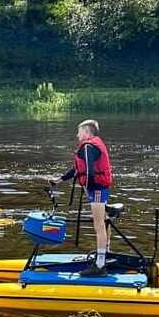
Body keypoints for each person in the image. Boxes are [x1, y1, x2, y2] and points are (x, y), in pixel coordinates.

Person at [51, 119, 113, 277]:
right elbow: (78, 169)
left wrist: (88, 188)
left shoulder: (87, 146)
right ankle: (105, 255)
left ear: (86, 131)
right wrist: (60, 179)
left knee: (99, 226)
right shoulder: (91, 146)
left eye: (79, 131)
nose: (77, 135)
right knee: (104, 223)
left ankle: (100, 266)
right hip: (100, 189)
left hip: (97, 190)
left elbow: (90, 172)